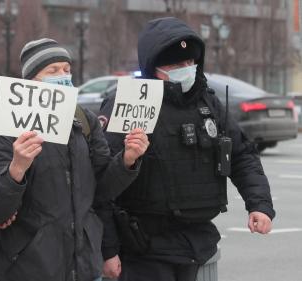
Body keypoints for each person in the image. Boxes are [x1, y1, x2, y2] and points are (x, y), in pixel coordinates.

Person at [98, 17, 275, 281]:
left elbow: (242, 155)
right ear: (153, 67)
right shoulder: (129, 104)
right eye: (176, 64)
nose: (186, 69)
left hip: (199, 244)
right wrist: (108, 250)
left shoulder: (208, 104)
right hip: (144, 250)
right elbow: (101, 188)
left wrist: (259, 204)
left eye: (191, 62)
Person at [0, 38, 149, 281]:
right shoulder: (9, 130)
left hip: (84, 266)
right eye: (53, 70)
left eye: (67, 70)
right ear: (32, 81)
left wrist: (127, 161)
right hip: (29, 269)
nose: (63, 75)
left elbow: (101, 191)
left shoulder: (85, 122)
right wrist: (16, 168)